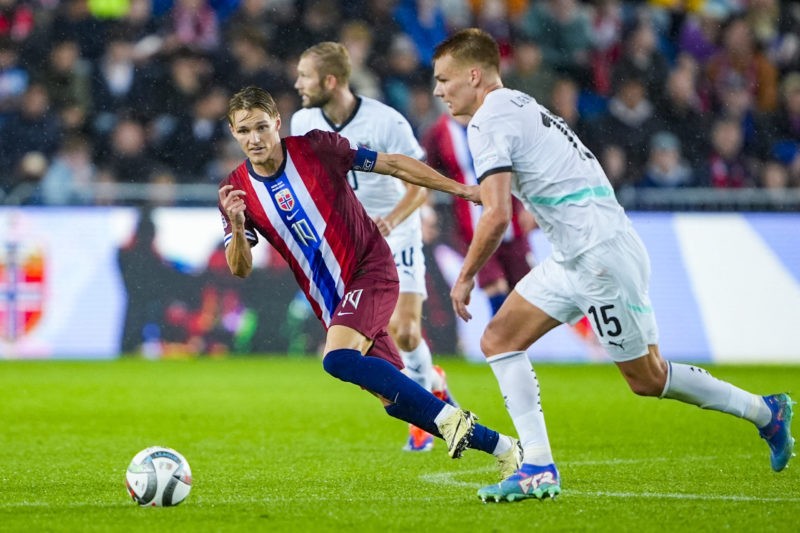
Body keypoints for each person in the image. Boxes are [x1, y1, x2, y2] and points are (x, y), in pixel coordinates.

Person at [431, 28, 795, 503]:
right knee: (499, 339)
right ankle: (537, 466)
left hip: (599, 258)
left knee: (647, 378)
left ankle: (766, 413)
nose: (439, 90)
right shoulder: (518, 104)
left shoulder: (486, 122)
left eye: (444, 79)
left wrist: (465, 278)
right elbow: (524, 185)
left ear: (473, 75)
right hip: (578, 254)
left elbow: (498, 215)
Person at [217, 85, 523, 482]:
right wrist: (238, 226)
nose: (254, 139)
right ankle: (505, 448)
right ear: (232, 132)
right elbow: (239, 268)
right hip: (332, 302)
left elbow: (394, 165)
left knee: (338, 359)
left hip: (371, 269)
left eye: (261, 127)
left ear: (277, 123)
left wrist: (464, 190)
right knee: (396, 400)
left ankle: (452, 421)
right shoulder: (235, 192)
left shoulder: (316, 149)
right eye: (243, 131)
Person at [290, 41, 456, 453]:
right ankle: (430, 388)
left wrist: (393, 220)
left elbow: (419, 182)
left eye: (305, 76)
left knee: (405, 330)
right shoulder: (302, 121)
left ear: (330, 80)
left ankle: (424, 406)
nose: (298, 84)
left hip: (395, 230)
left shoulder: (386, 120)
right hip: (350, 243)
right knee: (370, 344)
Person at [422, 111, 535, 317]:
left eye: (445, 82)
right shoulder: (438, 132)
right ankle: (500, 345)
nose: (441, 91)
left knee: (524, 294)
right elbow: (424, 174)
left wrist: (531, 205)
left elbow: (528, 163)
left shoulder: (500, 120)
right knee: (495, 286)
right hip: (471, 229)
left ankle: (509, 344)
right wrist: (426, 211)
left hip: (513, 225)